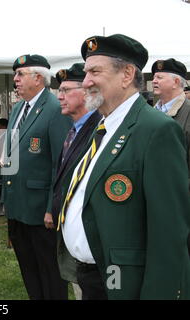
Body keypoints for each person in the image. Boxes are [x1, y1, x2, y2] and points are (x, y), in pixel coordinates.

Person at [57, 34, 190, 299]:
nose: (86, 82)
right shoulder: (103, 125)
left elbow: (169, 231)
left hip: (123, 282)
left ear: (127, 74)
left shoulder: (156, 129)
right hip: (92, 276)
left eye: (95, 71)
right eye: (85, 73)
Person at [1, 54, 72, 300]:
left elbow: (60, 163)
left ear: (39, 78)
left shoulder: (54, 109)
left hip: (41, 209)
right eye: (15, 75)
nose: (16, 80)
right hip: (18, 205)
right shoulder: (19, 108)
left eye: (21, 75)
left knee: (50, 273)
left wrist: (52, 207)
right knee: (29, 269)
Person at [52, 63, 102, 300]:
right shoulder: (74, 128)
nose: (59, 97)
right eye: (59, 91)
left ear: (86, 93)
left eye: (66, 90)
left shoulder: (99, 128)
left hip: (93, 243)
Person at [151, 58, 190, 191]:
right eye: (154, 77)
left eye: (159, 77)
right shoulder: (148, 113)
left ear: (176, 82)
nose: (154, 81)